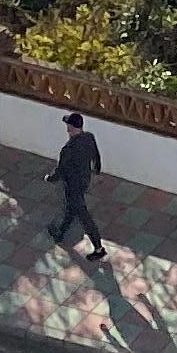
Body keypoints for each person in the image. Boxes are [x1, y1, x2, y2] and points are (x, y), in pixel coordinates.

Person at [50, 108, 106, 259]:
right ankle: (60, 233)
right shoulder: (89, 137)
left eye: (68, 125)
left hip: (73, 185)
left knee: (83, 216)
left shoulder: (68, 150)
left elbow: (60, 170)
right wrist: (97, 171)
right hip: (84, 181)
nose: (67, 128)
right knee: (71, 208)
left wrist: (50, 178)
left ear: (70, 128)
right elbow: (96, 156)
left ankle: (99, 249)